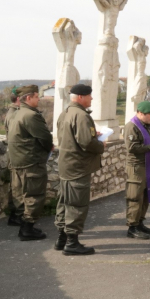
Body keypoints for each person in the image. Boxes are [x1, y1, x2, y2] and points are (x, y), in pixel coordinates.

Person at [54, 84, 105, 255]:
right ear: (81, 97)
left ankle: (61, 238)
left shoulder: (65, 113)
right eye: (90, 96)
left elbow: (68, 137)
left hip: (66, 165)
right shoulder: (82, 115)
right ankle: (72, 243)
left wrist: (92, 136)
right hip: (78, 167)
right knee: (77, 204)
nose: (91, 99)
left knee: (64, 202)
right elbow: (86, 143)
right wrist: (100, 145)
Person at [7, 85, 54, 241]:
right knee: (34, 195)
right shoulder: (31, 115)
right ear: (28, 98)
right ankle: (27, 228)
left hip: (17, 161)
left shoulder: (16, 113)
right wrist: (49, 148)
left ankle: (23, 222)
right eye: (36, 96)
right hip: (31, 162)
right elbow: (46, 138)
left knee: (20, 195)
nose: (38, 99)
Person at [124, 101, 150, 240]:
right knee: (135, 196)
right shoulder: (132, 126)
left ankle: (140, 222)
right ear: (140, 113)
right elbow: (132, 147)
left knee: (145, 196)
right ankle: (132, 227)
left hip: (146, 165)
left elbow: (148, 142)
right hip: (136, 167)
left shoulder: (146, 126)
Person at [4, 86, 23, 226]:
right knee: (17, 187)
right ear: (18, 99)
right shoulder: (13, 114)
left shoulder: (16, 113)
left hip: (18, 154)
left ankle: (17, 214)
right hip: (16, 155)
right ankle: (17, 215)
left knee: (19, 186)